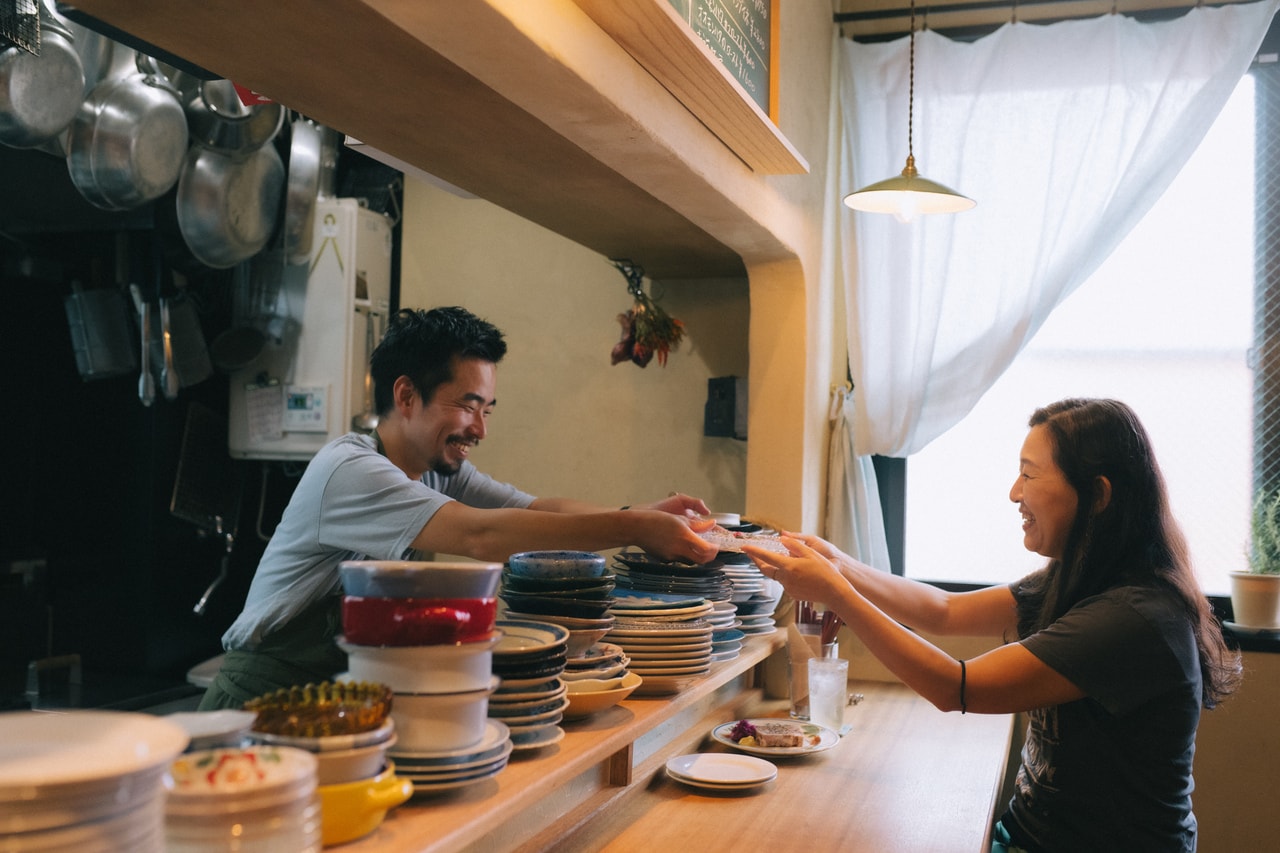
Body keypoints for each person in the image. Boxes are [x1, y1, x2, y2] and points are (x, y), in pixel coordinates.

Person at [742, 398, 1240, 853]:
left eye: (1029, 475)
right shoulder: (1080, 578)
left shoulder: (1133, 617)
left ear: (1099, 495)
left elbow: (957, 687)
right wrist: (838, 562)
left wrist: (836, 592)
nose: (1013, 493)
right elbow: (943, 610)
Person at [200, 306, 718, 710]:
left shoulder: (434, 469)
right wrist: (635, 527)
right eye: (468, 405)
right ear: (406, 396)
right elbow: (481, 537)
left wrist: (642, 514)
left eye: (486, 409)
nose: (481, 428)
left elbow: (535, 511)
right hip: (260, 702)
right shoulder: (351, 470)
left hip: (338, 702)